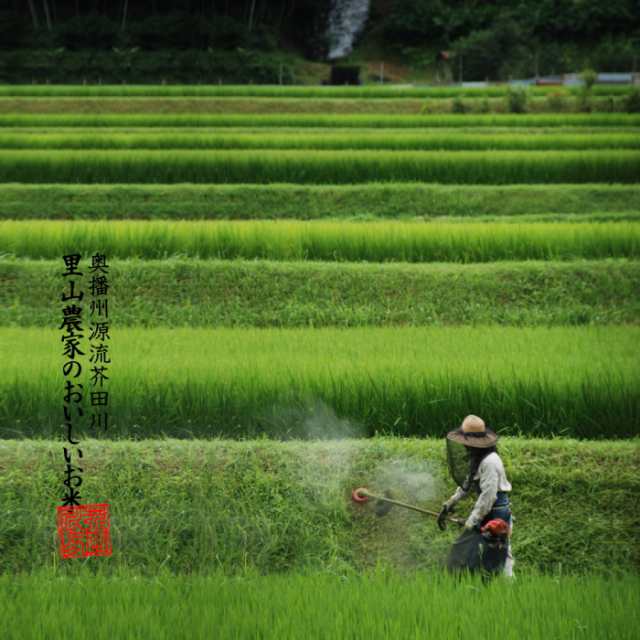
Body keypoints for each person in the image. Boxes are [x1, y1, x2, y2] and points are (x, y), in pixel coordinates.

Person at [437, 414, 514, 578]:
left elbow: (488, 497)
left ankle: (508, 591)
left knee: (499, 556)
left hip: (497, 514)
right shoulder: (477, 459)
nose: (465, 446)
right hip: (488, 511)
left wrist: (472, 521)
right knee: (480, 555)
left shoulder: (490, 462)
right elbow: (467, 486)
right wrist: (449, 504)